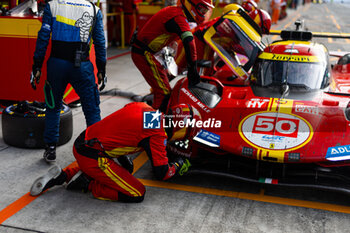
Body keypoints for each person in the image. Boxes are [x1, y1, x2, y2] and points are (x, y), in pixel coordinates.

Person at [30, 102, 201, 202]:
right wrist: (178, 165)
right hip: (93, 155)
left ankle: (63, 176)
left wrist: (123, 154)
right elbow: (162, 173)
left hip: (85, 142)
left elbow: (123, 129)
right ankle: (87, 183)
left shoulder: (144, 107)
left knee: (126, 168)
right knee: (137, 193)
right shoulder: (157, 134)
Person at [30, 0, 107, 163]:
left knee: (53, 106)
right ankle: (95, 149)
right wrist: (101, 68)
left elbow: (43, 37)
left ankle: (50, 149)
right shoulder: (94, 10)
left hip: (56, 64)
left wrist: (37, 65)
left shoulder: (53, 5)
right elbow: (100, 42)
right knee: (92, 108)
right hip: (82, 66)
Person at [131, 0, 214, 112]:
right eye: (202, 9)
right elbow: (189, 42)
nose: (203, 13)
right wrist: (192, 69)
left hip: (151, 53)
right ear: (191, 5)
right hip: (144, 53)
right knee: (164, 94)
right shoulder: (178, 17)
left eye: (205, 10)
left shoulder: (177, 12)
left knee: (163, 87)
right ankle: (154, 127)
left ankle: (156, 119)